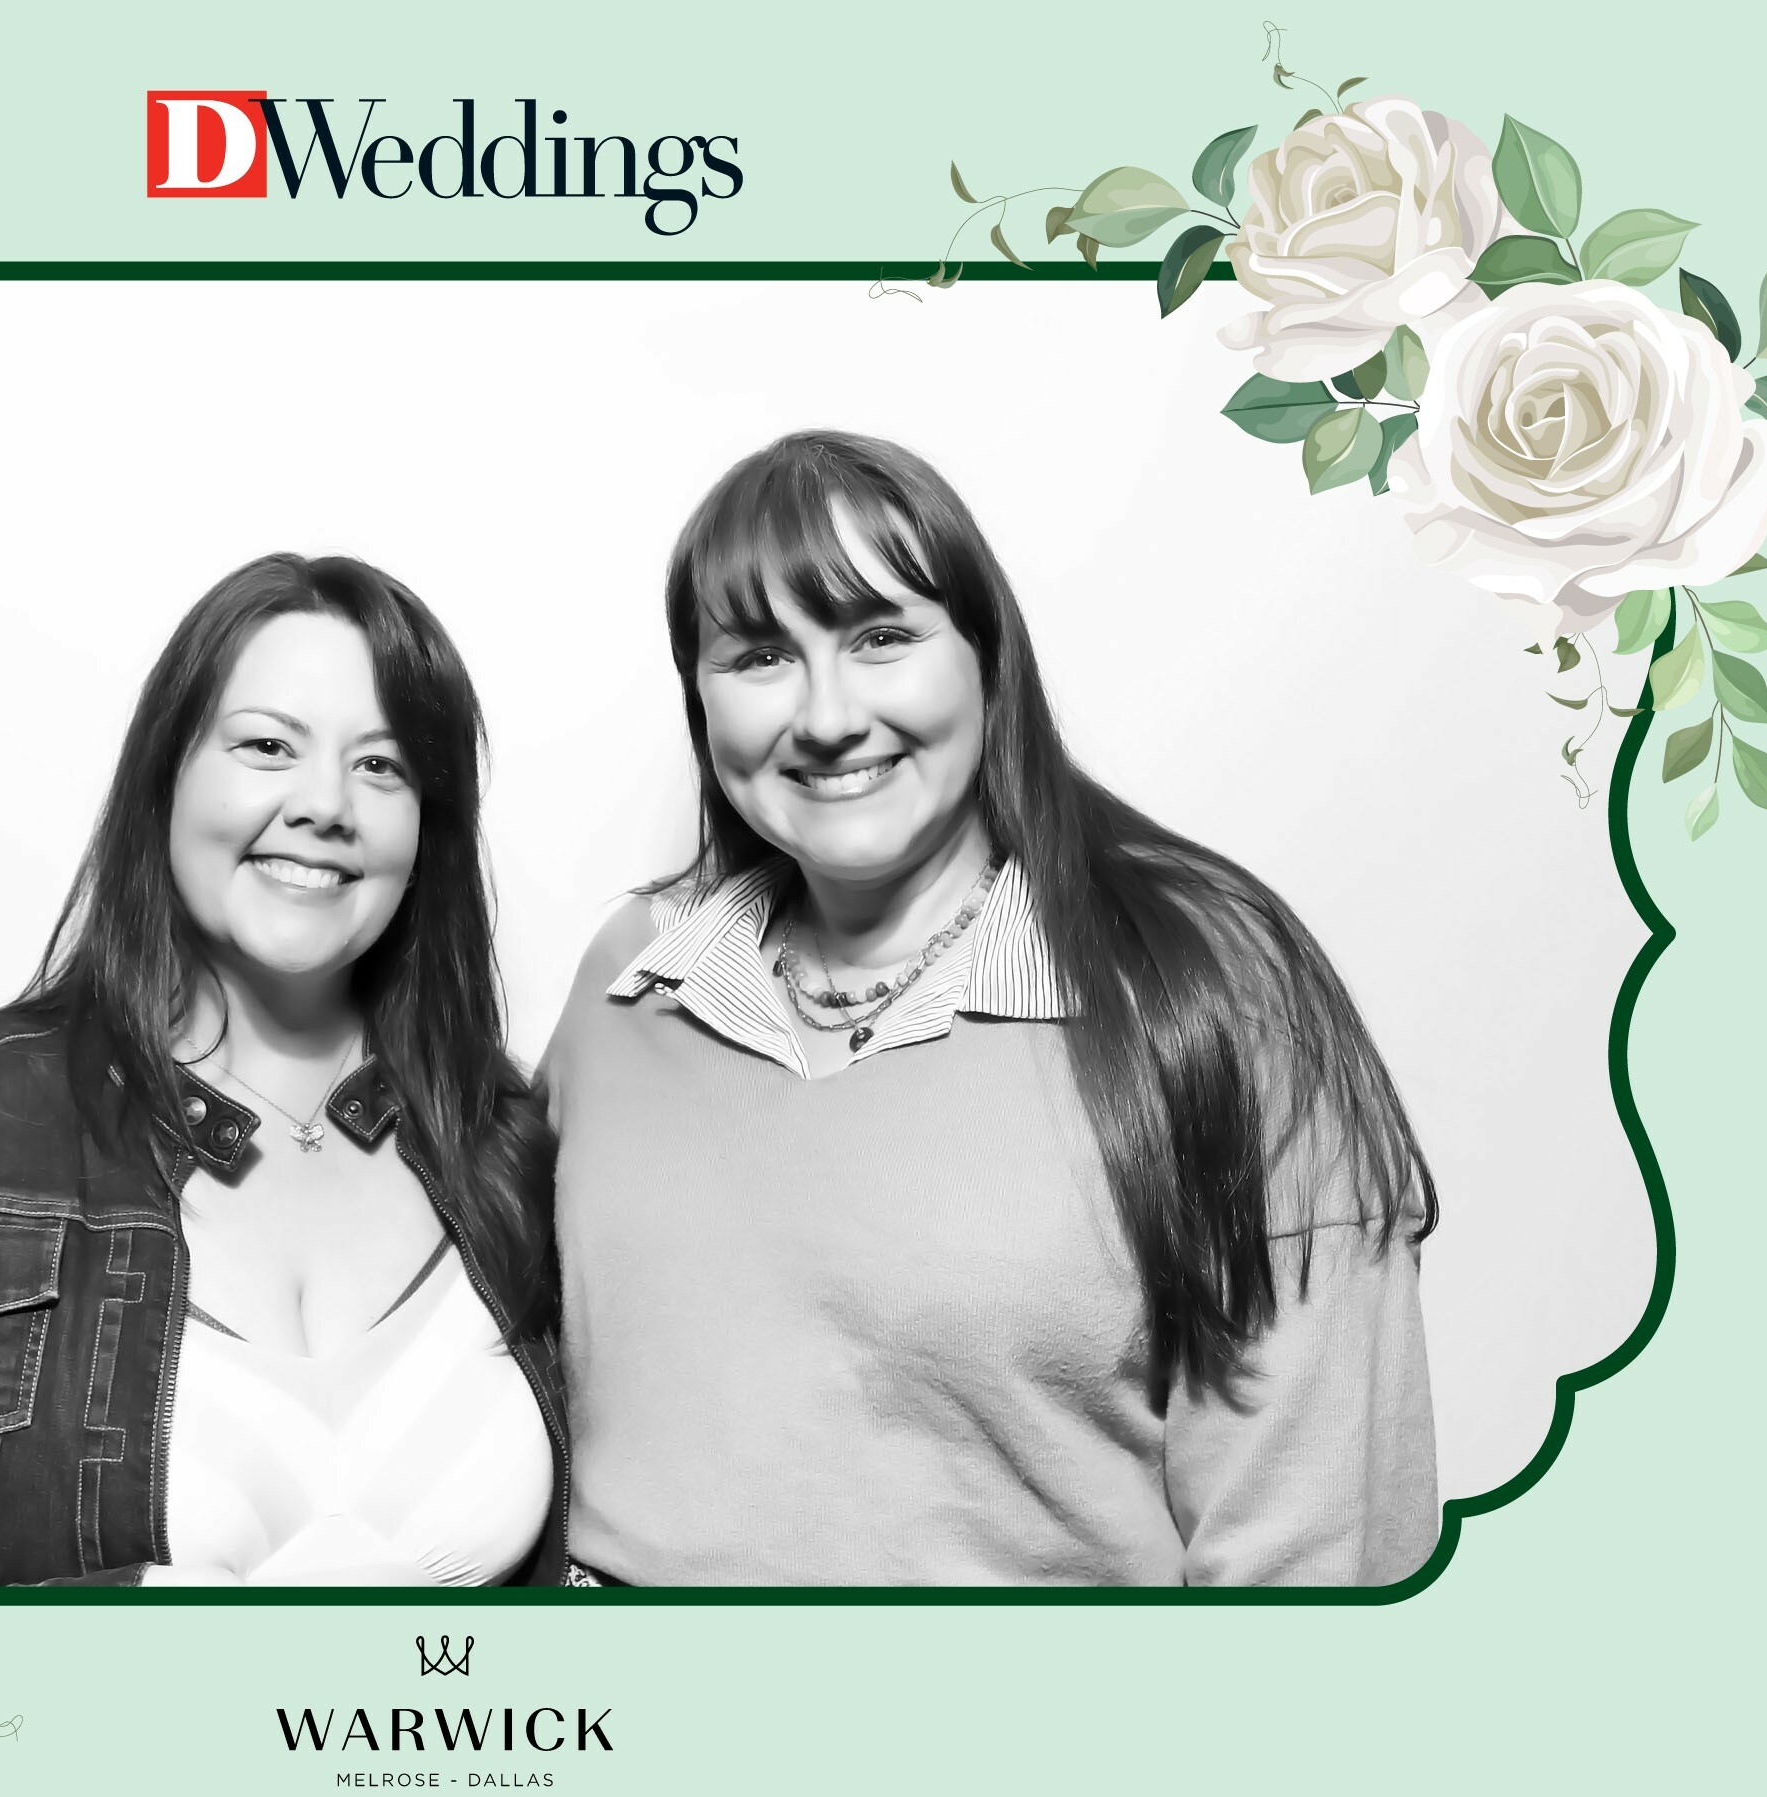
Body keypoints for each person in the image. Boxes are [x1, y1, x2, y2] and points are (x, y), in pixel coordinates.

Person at [541, 430, 1439, 1586]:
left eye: (881, 637)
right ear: (699, 697)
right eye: (759, 656)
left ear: (985, 657)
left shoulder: (1198, 983)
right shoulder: (633, 978)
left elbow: (1318, 1542)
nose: (826, 715)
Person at [0, 553, 564, 1586]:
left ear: (429, 822)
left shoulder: (512, 1140)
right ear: (166, 773)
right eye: (268, 746)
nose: (326, 804)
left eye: (383, 765)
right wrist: (98, 1639)